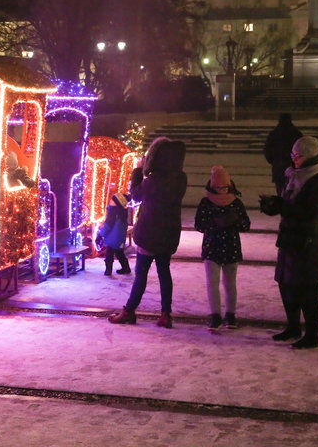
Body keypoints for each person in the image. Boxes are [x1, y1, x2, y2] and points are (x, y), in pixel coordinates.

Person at [259, 136, 318, 349]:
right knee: (286, 284)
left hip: (309, 242)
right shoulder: (294, 176)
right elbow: (289, 206)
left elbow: (310, 212)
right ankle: (293, 326)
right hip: (290, 239)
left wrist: (282, 205)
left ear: (310, 156)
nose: (294, 159)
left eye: (298, 156)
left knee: (307, 290)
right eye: (292, 155)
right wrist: (274, 205)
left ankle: (312, 335)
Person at [108, 138, 186, 328]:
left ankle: (129, 311)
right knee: (164, 273)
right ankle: (166, 314)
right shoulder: (181, 178)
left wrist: (137, 170)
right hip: (169, 233)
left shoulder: (153, 180)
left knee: (141, 275)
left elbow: (135, 195)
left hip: (149, 233)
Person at [194, 166, 251, 331]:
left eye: (224, 187)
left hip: (231, 245)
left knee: (230, 283)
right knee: (212, 283)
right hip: (212, 246)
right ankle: (215, 316)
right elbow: (199, 224)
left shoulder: (236, 202)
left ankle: (231, 315)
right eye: (218, 187)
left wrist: (234, 221)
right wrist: (213, 223)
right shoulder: (206, 202)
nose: (221, 190)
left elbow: (246, 225)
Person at [264, 113, 303, 195]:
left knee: (280, 187)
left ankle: (282, 202)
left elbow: (267, 149)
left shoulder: (274, 133)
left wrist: (273, 161)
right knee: (292, 187)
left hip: (278, 164)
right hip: (292, 164)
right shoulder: (296, 133)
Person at [94, 193, 132, 276]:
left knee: (109, 255)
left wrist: (100, 235)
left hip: (111, 239)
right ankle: (126, 268)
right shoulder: (123, 213)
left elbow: (107, 226)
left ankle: (108, 270)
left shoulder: (113, 213)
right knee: (120, 253)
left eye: (112, 200)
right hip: (120, 238)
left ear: (117, 203)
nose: (110, 201)